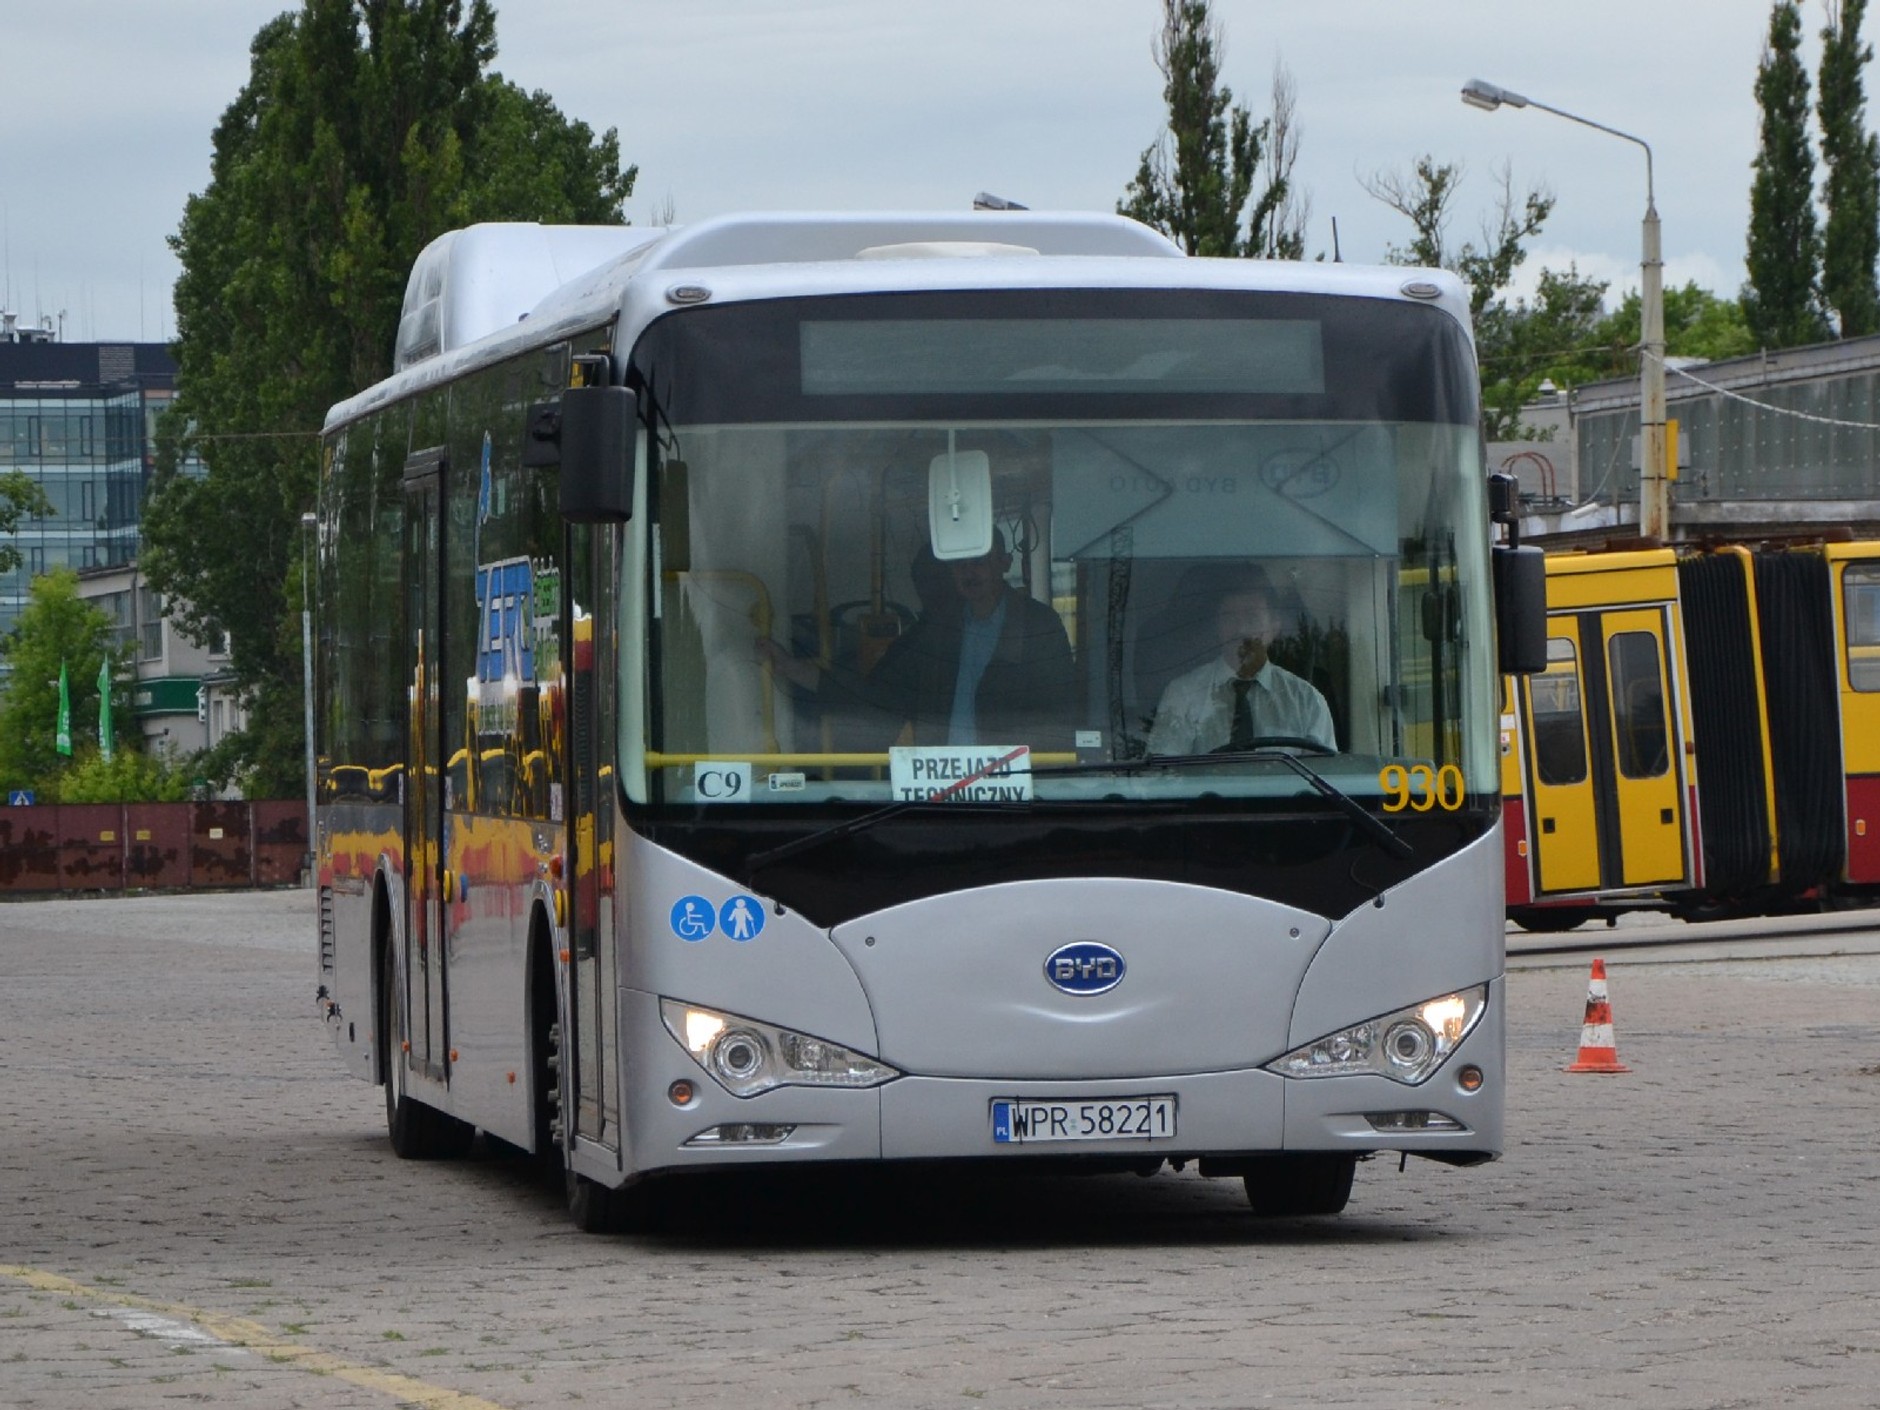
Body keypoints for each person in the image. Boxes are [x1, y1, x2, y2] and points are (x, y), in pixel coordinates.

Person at [759, 533, 1075, 748]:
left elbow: (1059, 718)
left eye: (978, 560)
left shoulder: (1039, 624)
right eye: (958, 563)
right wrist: (796, 670)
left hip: (1013, 788)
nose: (968, 571)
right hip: (942, 788)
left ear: (1003, 562)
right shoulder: (933, 630)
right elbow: (879, 696)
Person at [1146, 565, 1335, 755]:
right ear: (1218, 626)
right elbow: (1164, 776)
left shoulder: (1306, 701)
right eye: (1229, 618)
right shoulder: (1183, 696)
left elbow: (1323, 778)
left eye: (1252, 618)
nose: (1241, 629)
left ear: (1274, 627)